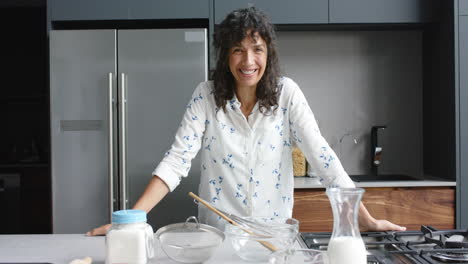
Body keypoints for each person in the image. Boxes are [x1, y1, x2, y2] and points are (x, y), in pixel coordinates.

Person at [87, 7, 406, 236]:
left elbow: (323, 159)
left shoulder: (287, 94)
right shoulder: (206, 96)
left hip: (274, 240)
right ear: (225, 56)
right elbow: (176, 160)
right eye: (238, 50)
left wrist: (362, 219)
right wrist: (129, 220)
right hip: (218, 239)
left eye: (257, 49)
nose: (248, 60)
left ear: (269, 54)